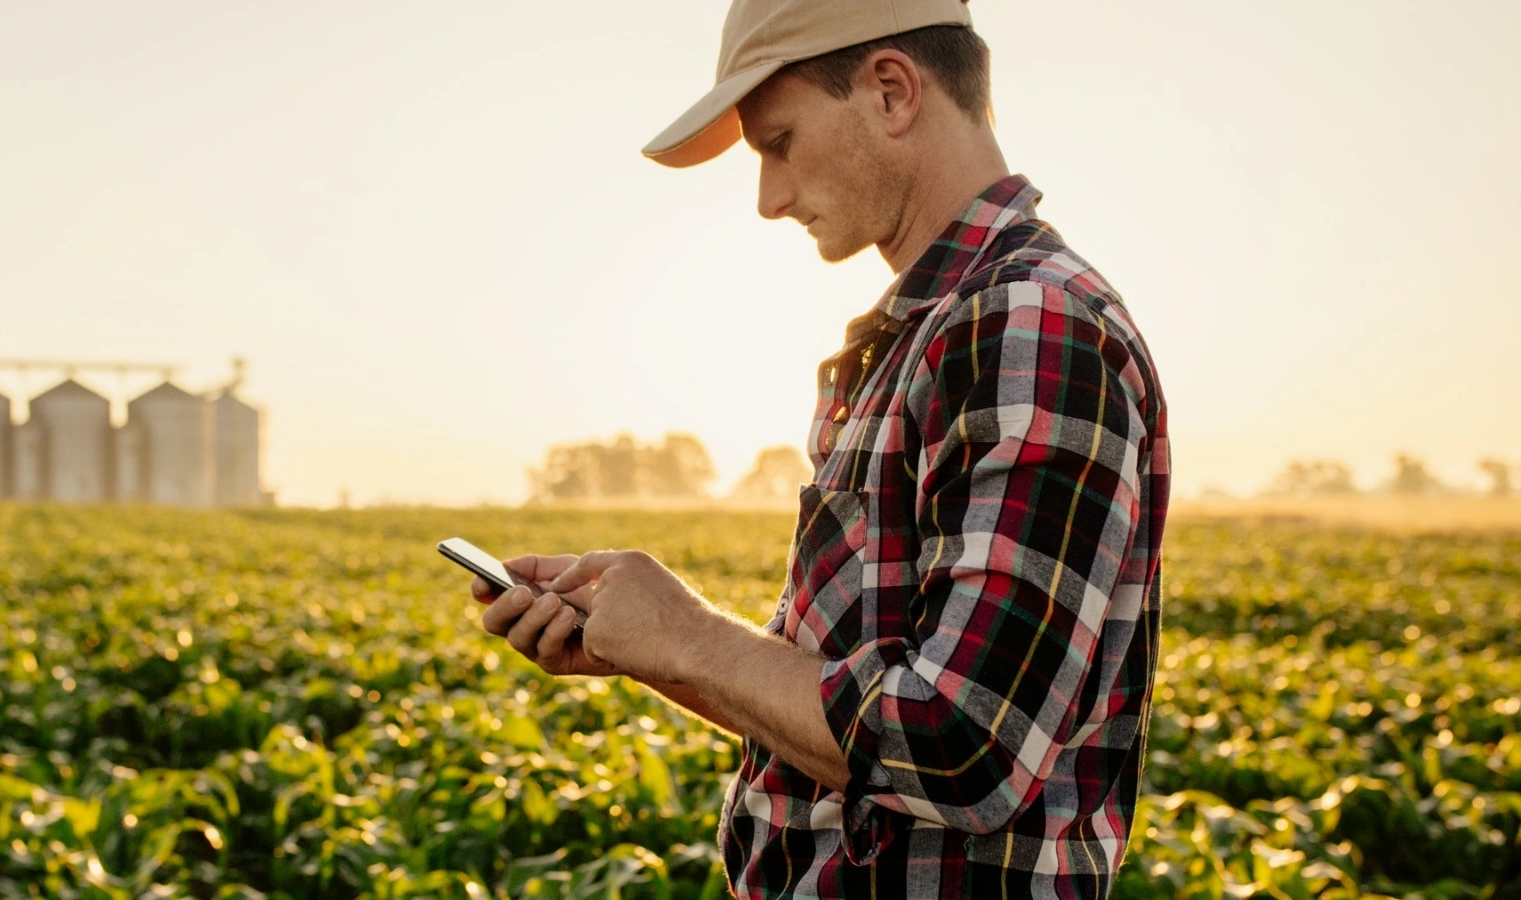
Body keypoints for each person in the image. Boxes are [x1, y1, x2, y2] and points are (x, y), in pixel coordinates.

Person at [472, 0, 1169, 896]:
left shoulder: (1025, 321)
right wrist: (641, 649)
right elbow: (857, 722)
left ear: (890, 91)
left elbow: (966, 743)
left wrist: (689, 638)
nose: (768, 198)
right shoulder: (933, 332)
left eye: (779, 141)